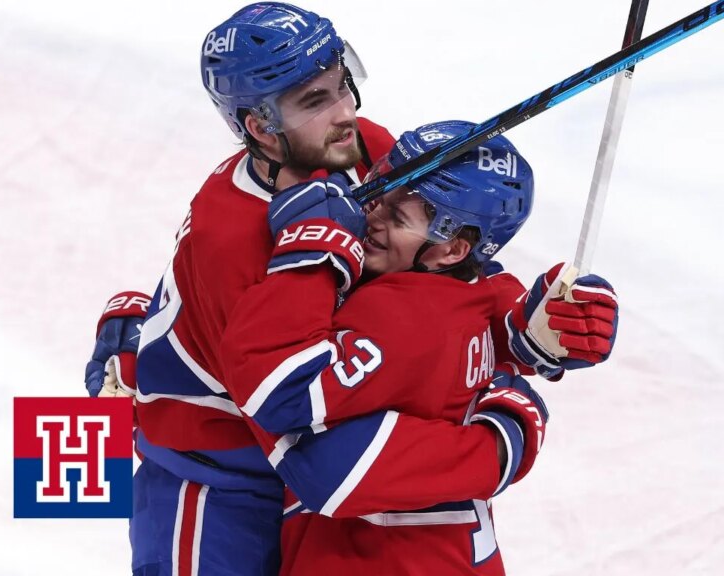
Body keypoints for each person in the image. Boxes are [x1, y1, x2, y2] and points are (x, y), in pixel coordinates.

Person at [84, 4, 618, 575]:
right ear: (261, 127)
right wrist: (499, 443)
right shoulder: (229, 241)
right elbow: (318, 452)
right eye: (314, 102)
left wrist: (519, 324)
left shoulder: (360, 150)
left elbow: (431, 277)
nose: (345, 113)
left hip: (295, 494)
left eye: (341, 84)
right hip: (213, 483)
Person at [220, 120, 618, 575]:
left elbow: (306, 439)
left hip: (224, 501)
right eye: (378, 192)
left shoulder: (401, 315)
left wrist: (310, 254)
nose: (370, 216)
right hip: (424, 554)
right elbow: (486, 295)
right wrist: (517, 353)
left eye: (398, 216)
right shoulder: (468, 292)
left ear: (451, 250)